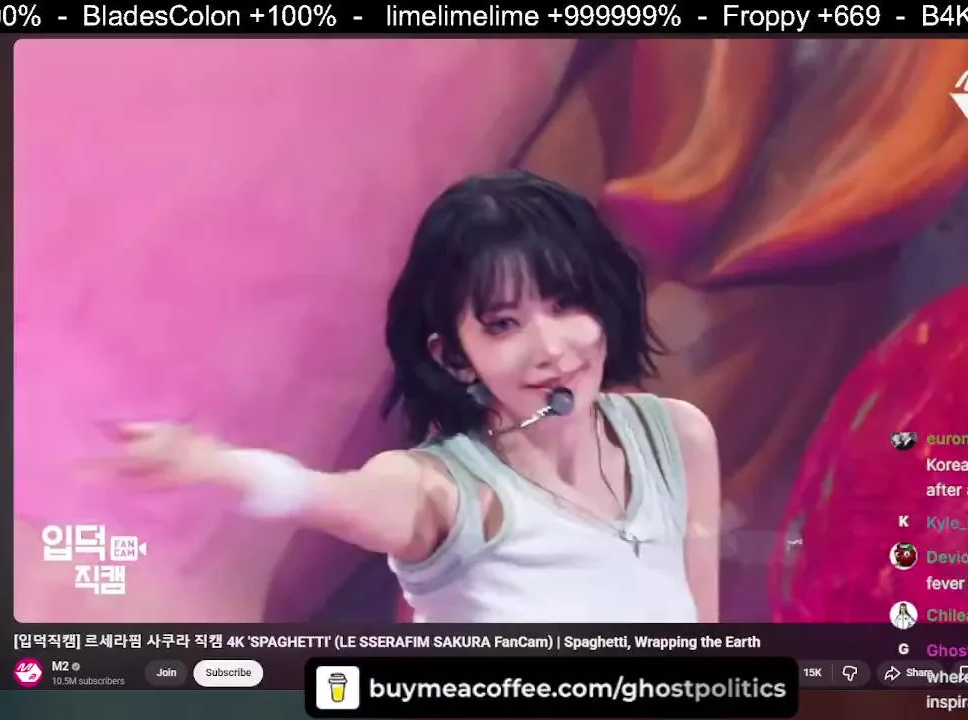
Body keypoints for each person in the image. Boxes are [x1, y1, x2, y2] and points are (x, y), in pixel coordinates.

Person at [99, 170, 722, 623]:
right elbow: (337, 498)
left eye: (567, 305)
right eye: (504, 324)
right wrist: (218, 466)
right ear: (452, 354)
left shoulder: (677, 436)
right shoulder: (442, 490)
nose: (552, 348)